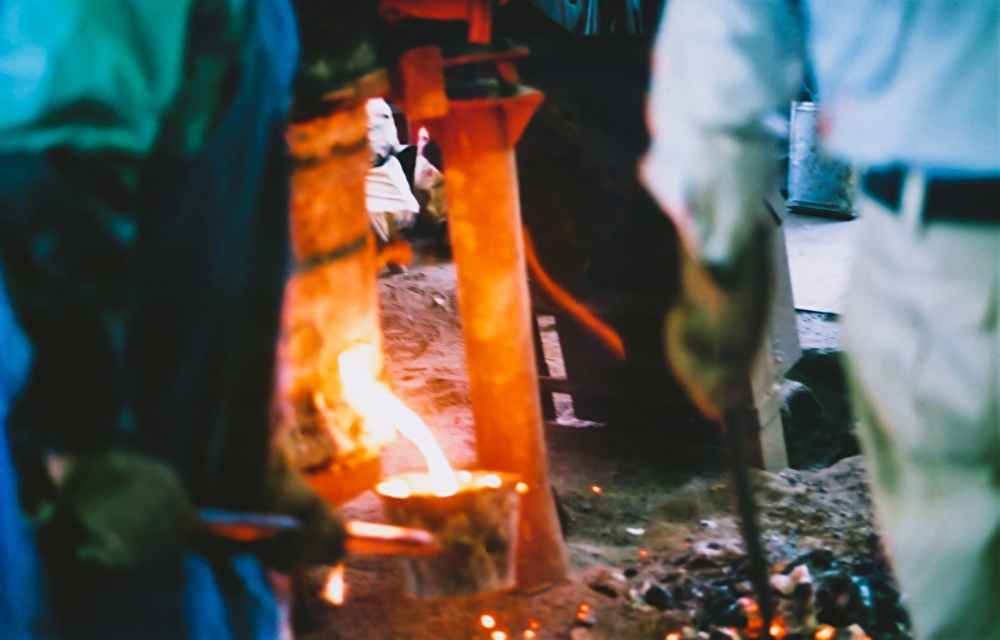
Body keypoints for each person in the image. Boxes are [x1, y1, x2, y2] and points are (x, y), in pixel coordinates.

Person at [641, 2, 999, 638]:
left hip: (948, 256)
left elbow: (731, 29)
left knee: (966, 585)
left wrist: (719, 242)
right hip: (945, 244)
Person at [0, 1, 347, 637]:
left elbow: (228, 239)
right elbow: (34, 200)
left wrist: (246, 461)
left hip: (176, 500)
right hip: (78, 515)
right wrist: (67, 454)